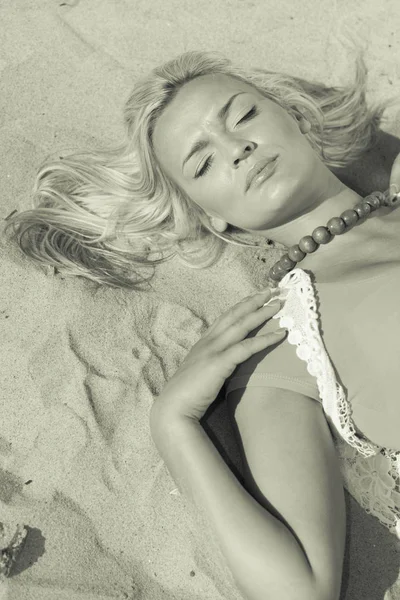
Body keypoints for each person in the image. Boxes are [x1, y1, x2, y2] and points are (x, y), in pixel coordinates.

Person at [3, 47, 400, 600]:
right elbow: (301, 591)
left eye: (244, 116)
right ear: (209, 213)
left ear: (299, 120)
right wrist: (174, 426)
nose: (236, 149)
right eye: (202, 163)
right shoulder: (280, 340)